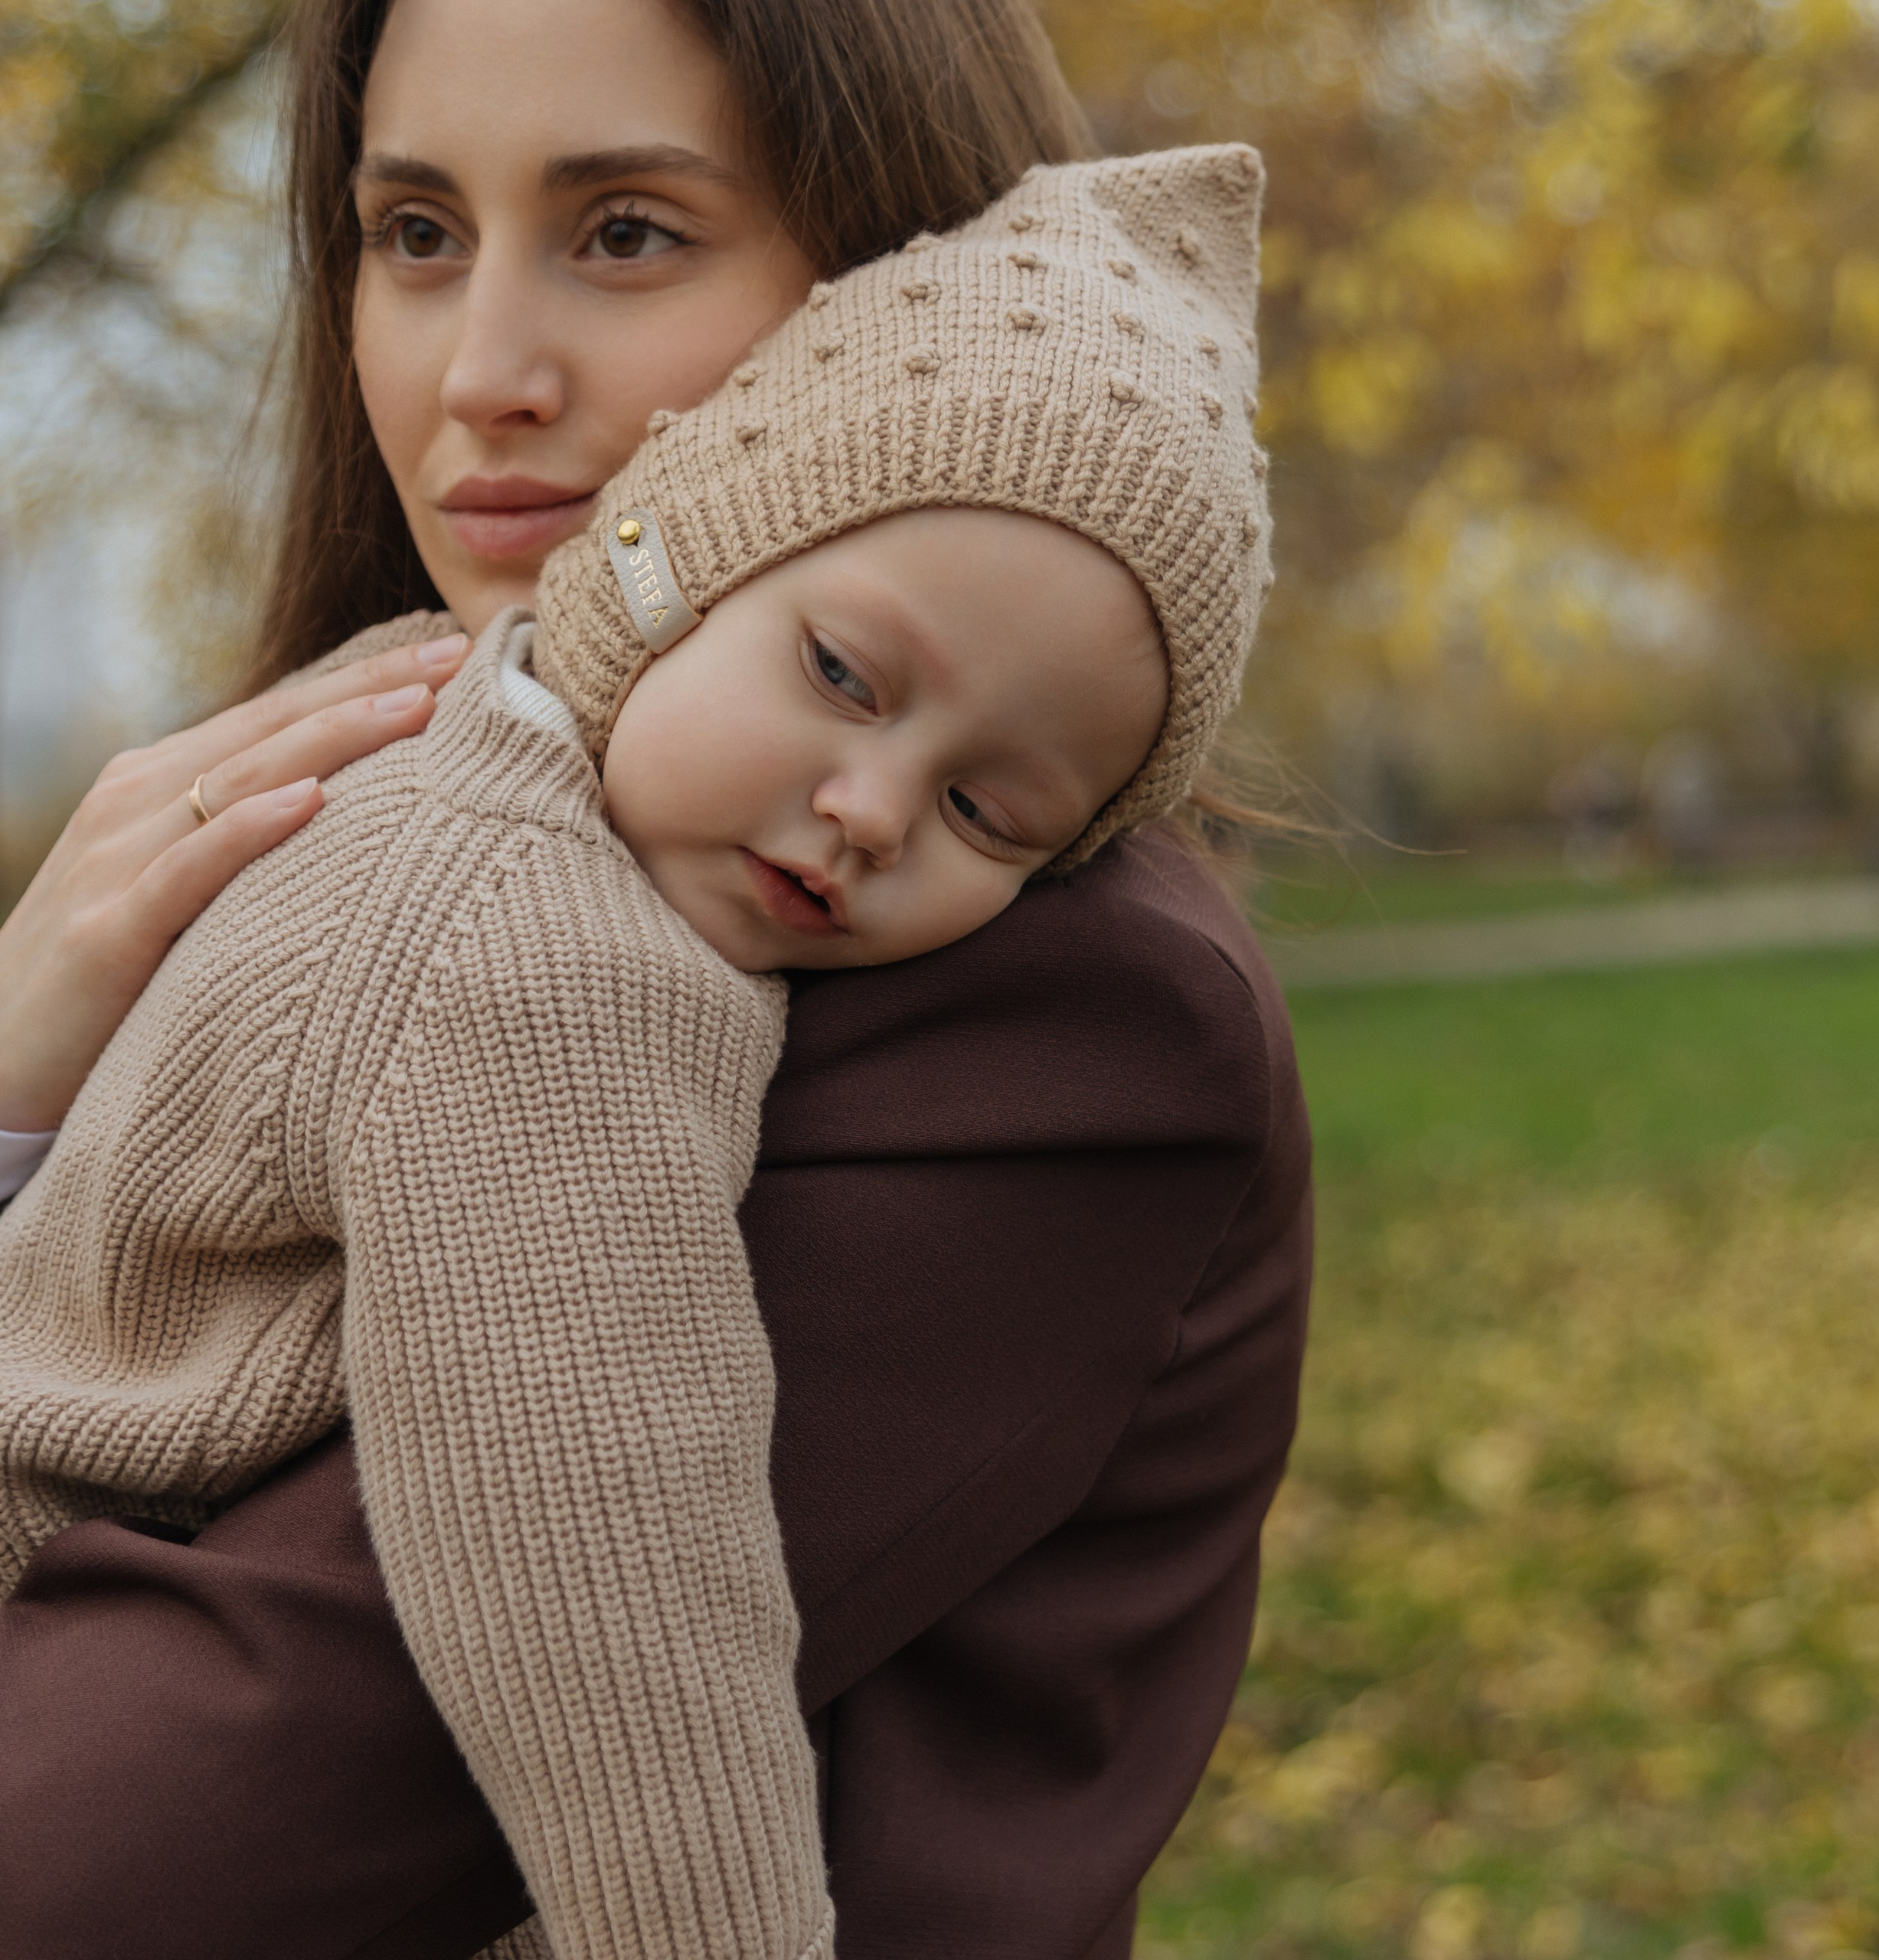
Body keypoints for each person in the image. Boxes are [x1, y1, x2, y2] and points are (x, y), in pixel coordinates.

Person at [0, 2, 1312, 1955]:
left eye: (626, 231)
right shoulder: (392, 781)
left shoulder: (1049, 1015)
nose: (485, 371)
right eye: (417, 234)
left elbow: (137, 1837)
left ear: (903, 265)